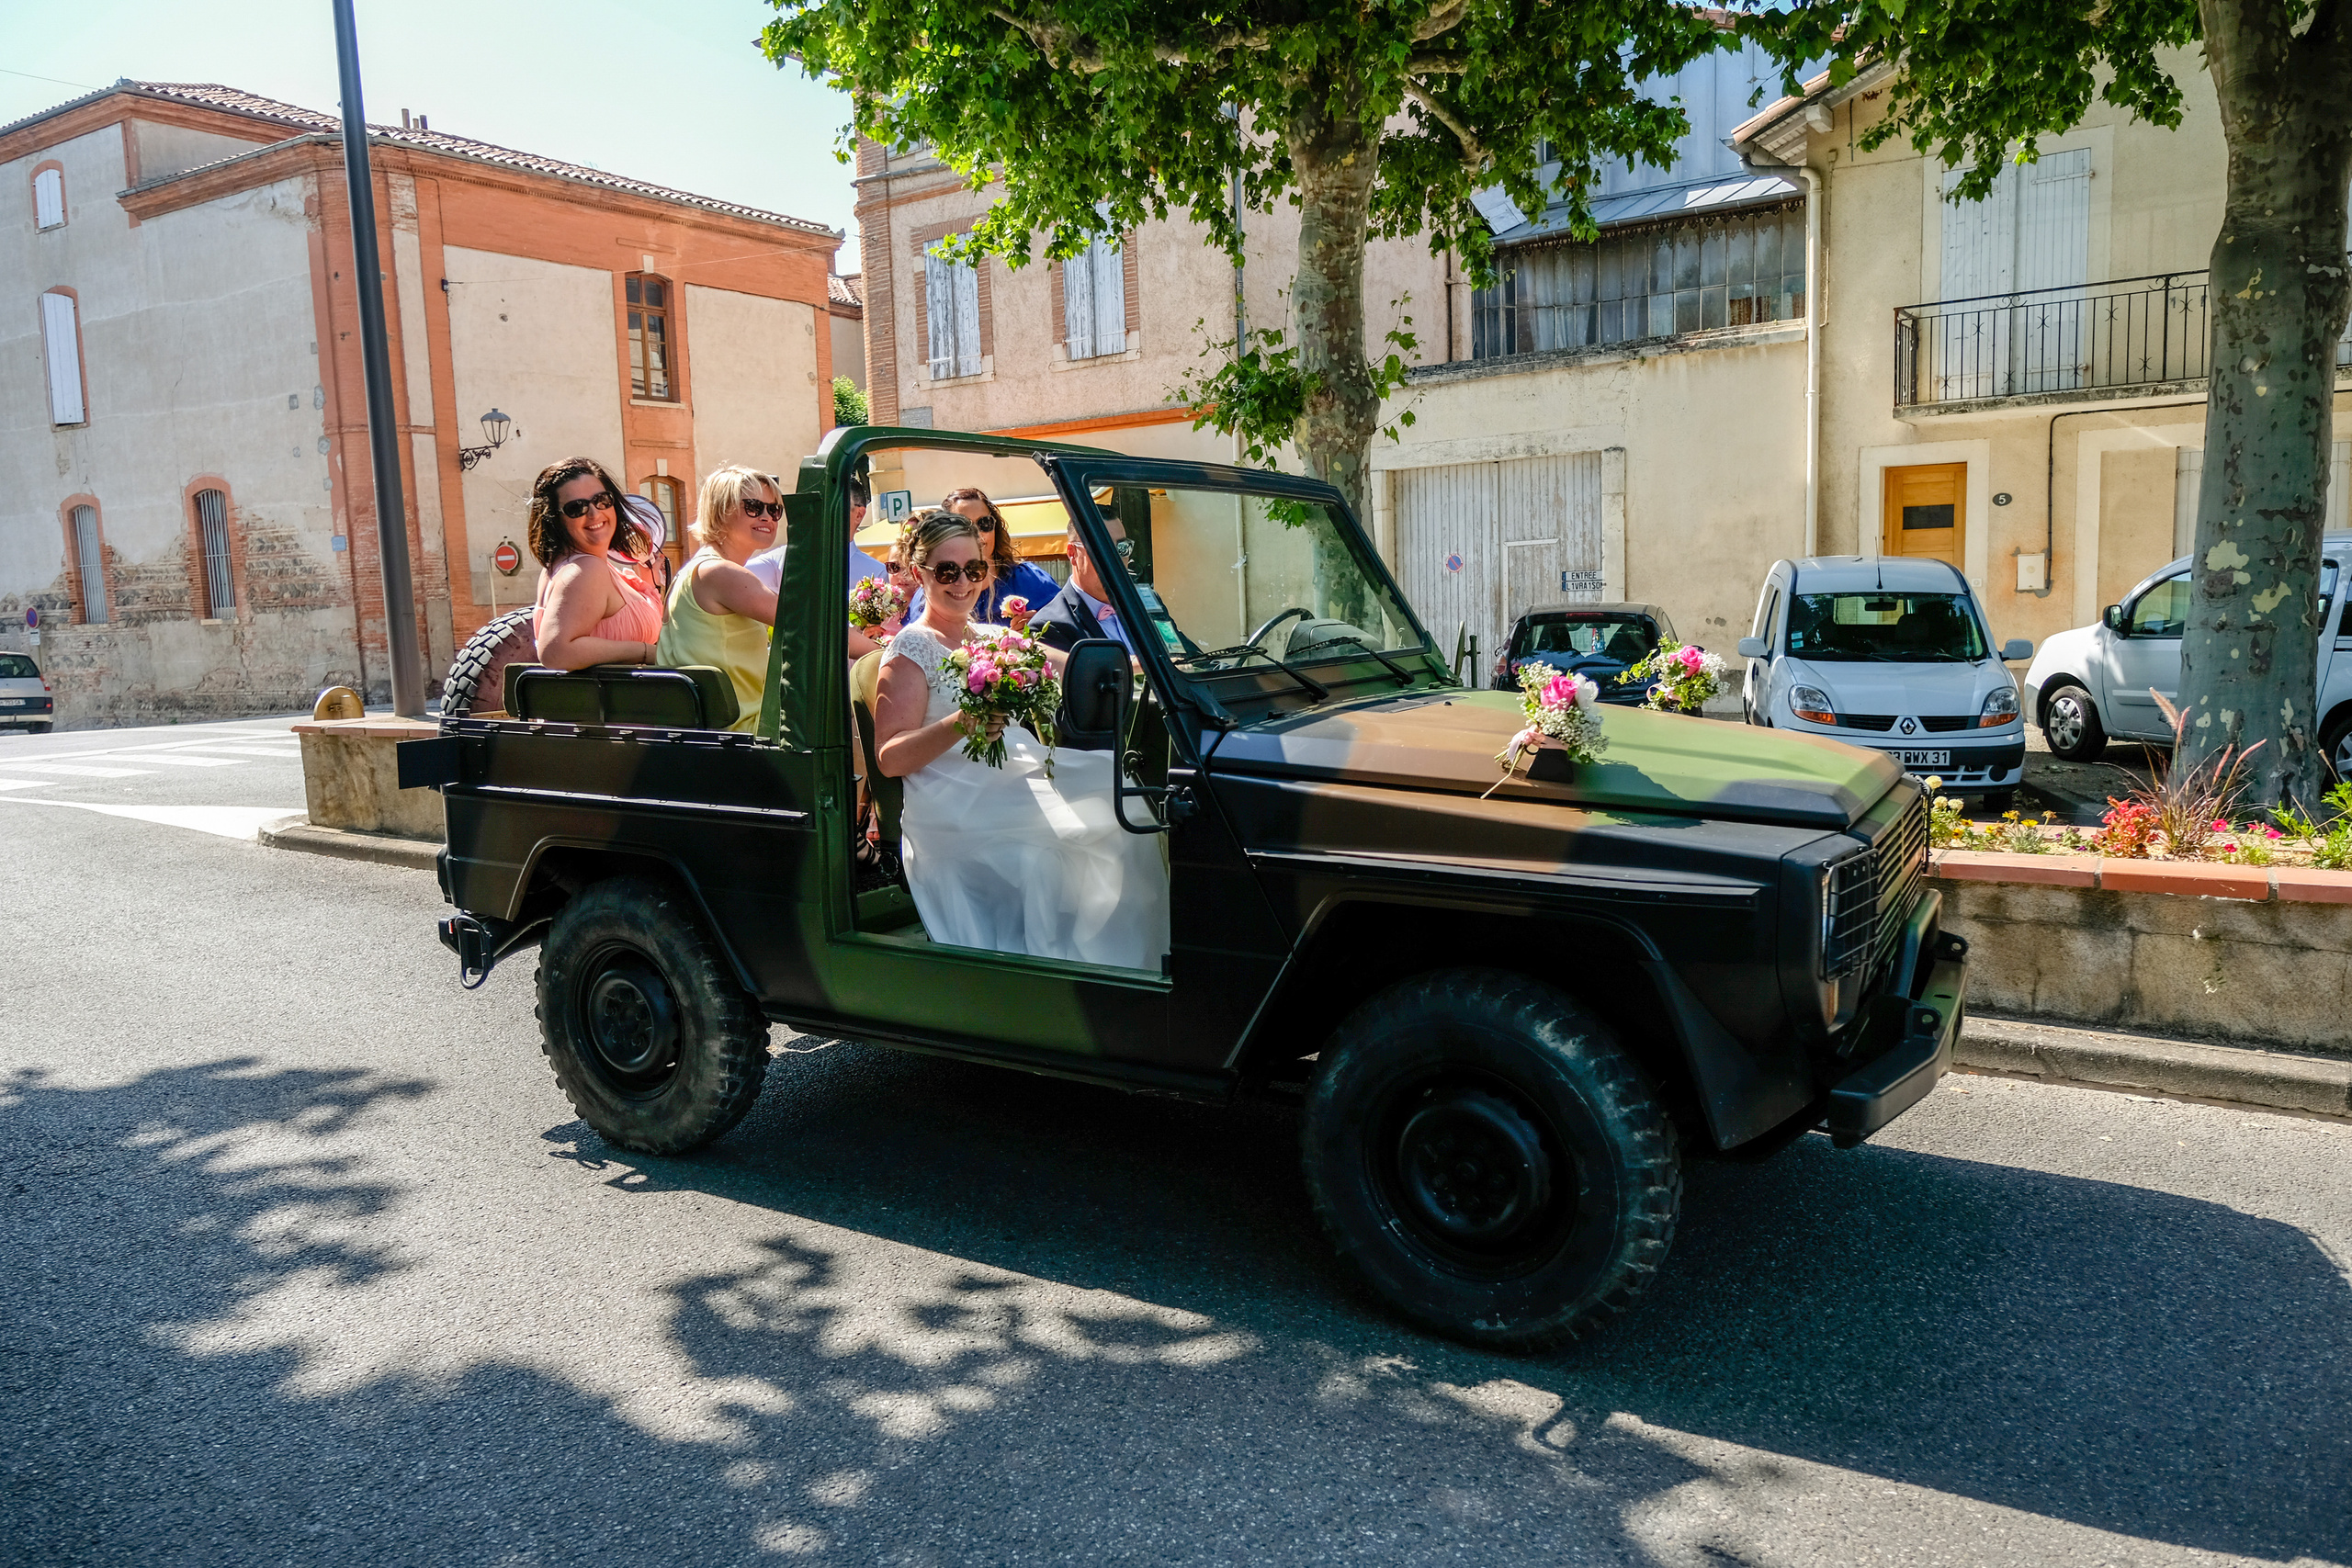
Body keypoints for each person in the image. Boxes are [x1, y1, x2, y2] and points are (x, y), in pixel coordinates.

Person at [873, 509, 1169, 971]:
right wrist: (962, 723)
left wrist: (1160, 667)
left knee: (1128, 806)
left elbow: (1076, 665)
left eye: (973, 569)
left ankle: (1124, 969)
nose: (962, 582)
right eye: (947, 571)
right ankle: (1063, 978)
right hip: (953, 799)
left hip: (1015, 775)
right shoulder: (910, 649)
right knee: (1061, 845)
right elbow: (890, 758)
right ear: (920, 573)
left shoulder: (992, 636)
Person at [655, 465, 780, 731]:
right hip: (743, 731)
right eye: (754, 507)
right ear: (722, 510)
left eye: (775, 509)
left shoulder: (694, 570)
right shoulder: (719, 572)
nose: (767, 517)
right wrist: (881, 652)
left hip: (716, 730)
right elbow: (809, 623)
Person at [529, 457, 663, 671]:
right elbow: (556, 652)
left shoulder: (563, 567)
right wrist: (645, 652)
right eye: (576, 508)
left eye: (602, 500)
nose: (594, 513)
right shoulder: (585, 570)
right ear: (555, 519)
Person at [746, 472, 893, 659]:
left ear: (859, 514)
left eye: (835, 506)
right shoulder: (782, 559)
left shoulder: (876, 572)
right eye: (817, 505)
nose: (823, 512)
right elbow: (738, 577)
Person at [907, 487, 1061, 626]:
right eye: (964, 526)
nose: (977, 534)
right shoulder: (930, 591)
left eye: (984, 523)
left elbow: (1067, 628)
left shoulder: (1028, 579)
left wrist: (1038, 631)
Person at [1033, 512, 1137, 656]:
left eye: (1122, 547)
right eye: (1102, 548)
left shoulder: (1144, 603)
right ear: (1072, 553)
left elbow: (1177, 654)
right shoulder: (1050, 626)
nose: (1116, 559)